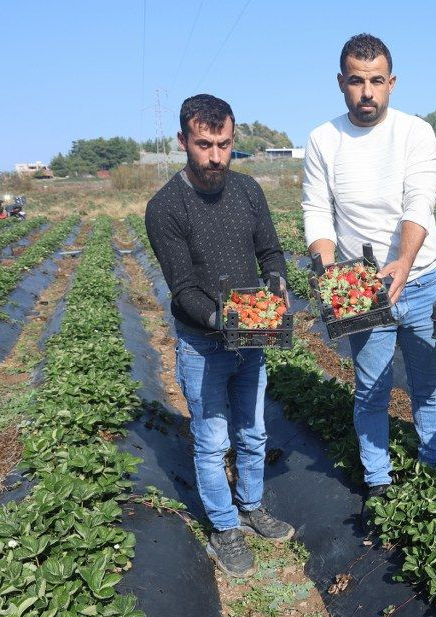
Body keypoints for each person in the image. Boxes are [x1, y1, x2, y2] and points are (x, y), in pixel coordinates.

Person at [145, 93, 294, 578]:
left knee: (254, 431)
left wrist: (276, 287)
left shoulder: (249, 191)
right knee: (211, 442)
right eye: (204, 144)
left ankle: (251, 505)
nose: (215, 157)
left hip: (251, 336)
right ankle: (224, 527)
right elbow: (184, 289)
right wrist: (224, 320)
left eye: (224, 144)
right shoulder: (165, 207)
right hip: (203, 343)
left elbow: (270, 252)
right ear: (183, 141)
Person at [302, 34, 436, 502]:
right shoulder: (323, 139)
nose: (366, 92)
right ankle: (378, 481)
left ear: (392, 82)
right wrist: (330, 273)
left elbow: (419, 202)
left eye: (376, 81)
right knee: (371, 389)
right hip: (362, 287)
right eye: (356, 81)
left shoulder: (415, 132)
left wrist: (404, 263)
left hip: (420, 279)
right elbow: (317, 211)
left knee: (428, 384)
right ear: (341, 82)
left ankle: (435, 468)